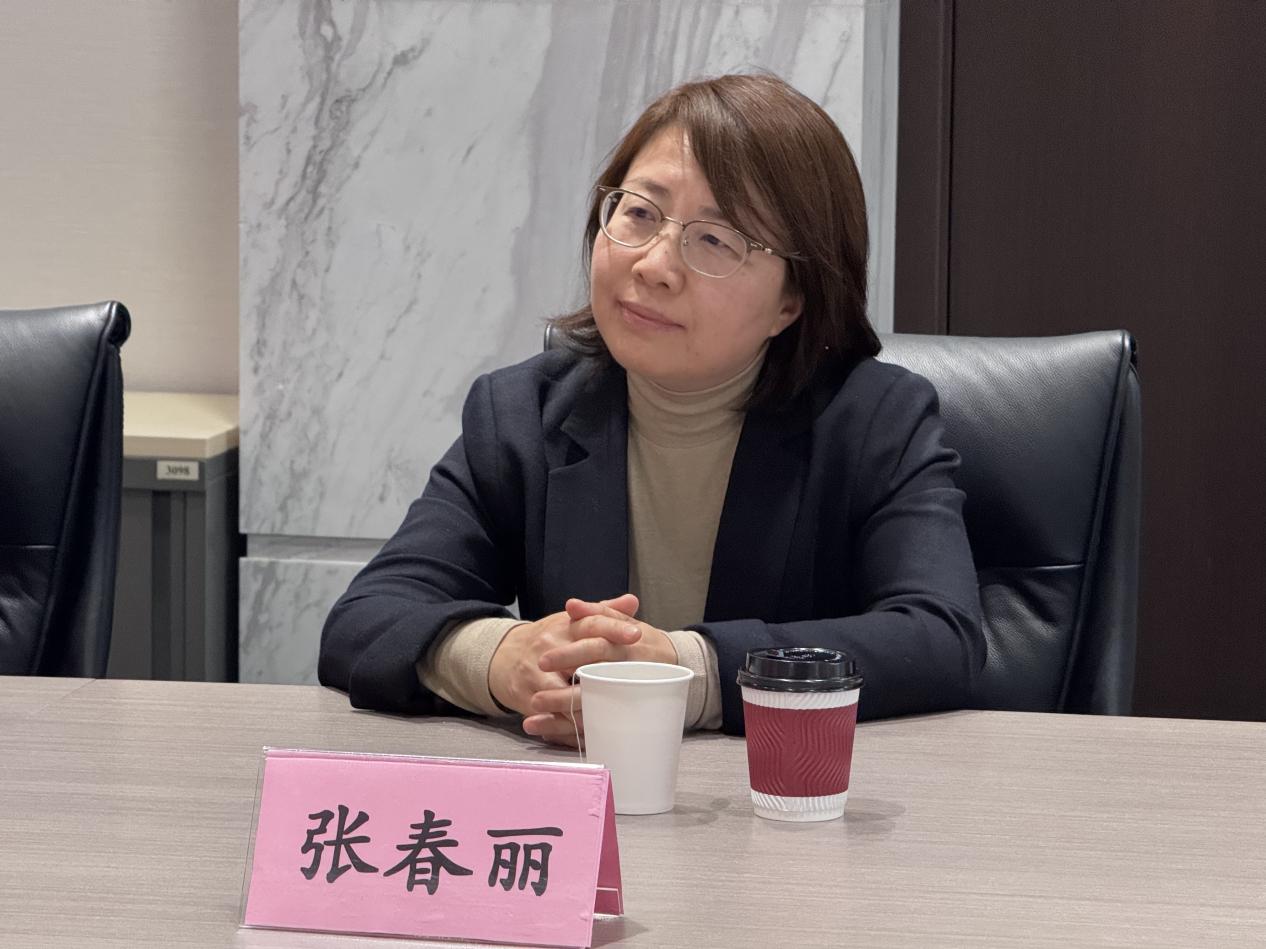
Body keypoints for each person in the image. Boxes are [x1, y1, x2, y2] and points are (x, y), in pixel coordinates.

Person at [319, 73, 984, 744]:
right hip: (585, 795)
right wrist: (506, 659)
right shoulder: (521, 414)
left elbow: (940, 636)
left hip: (782, 796)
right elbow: (366, 620)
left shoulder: (875, 421)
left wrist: (686, 672)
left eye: (716, 240)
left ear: (791, 302)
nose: (654, 265)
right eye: (639, 213)